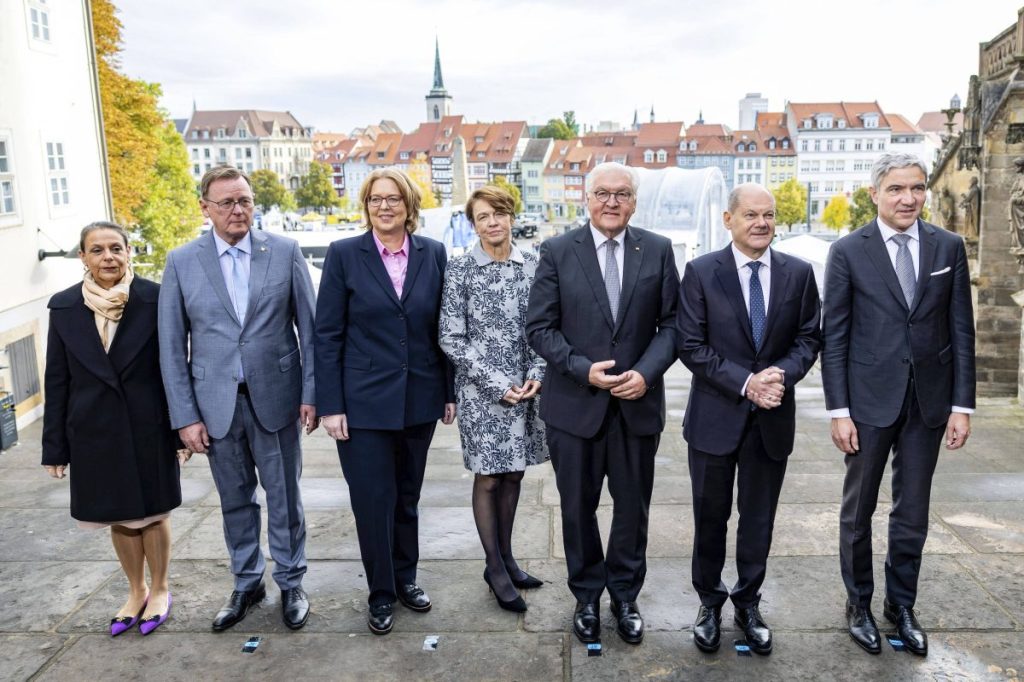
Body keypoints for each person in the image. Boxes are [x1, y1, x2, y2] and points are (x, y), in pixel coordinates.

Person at [822, 153, 976, 656]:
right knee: (858, 510)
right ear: (875, 194)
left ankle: (901, 605)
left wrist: (962, 405)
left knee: (913, 511)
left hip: (929, 401)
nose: (907, 198)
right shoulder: (848, 251)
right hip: (867, 401)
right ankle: (859, 604)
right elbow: (836, 337)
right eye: (895, 189)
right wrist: (838, 410)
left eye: (916, 188)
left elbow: (961, 331)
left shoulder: (948, 246)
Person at [158, 166, 317, 631]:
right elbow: (171, 347)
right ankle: (247, 582)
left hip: (278, 399)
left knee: (285, 497)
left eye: (244, 200)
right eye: (226, 202)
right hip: (215, 406)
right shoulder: (182, 262)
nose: (238, 210)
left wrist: (312, 393)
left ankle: (291, 582)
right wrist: (185, 417)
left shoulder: (284, 251)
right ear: (205, 208)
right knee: (234, 500)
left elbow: (310, 330)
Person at [526, 161, 678, 645]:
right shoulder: (556, 251)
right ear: (586, 199)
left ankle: (626, 597)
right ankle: (587, 597)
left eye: (622, 194)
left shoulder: (656, 249)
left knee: (633, 509)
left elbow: (673, 325)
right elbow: (539, 328)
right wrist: (580, 368)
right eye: (603, 193)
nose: (612, 202)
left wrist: (646, 372)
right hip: (575, 407)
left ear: (634, 201)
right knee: (577, 508)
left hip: (637, 407)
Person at [676, 184, 821, 655]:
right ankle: (709, 602)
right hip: (715, 419)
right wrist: (746, 383)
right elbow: (691, 346)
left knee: (759, 519)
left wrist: (782, 374)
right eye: (751, 215)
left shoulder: (798, 274)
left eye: (769, 215)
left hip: (771, 419)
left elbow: (808, 338)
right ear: (728, 219)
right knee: (710, 518)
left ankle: (749, 602)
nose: (762, 223)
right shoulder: (700, 272)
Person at [314, 168, 456, 635]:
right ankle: (380, 592)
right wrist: (331, 404)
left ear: (409, 205)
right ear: (366, 205)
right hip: (362, 403)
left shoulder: (433, 254)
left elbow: (446, 328)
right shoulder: (343, 255)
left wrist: (449, 391)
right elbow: (328, 333)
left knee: (408, 497)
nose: (385, 207)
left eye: (394, 199)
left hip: (419, 397)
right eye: (376, 199)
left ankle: (406, 579)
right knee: (373, 501)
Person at [43, 221, 182, 636]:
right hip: (92, 429)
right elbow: (57, 378)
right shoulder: (64, 306)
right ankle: (135, 590)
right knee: (118, 514)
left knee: (152, 512)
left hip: (148, 424)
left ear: (128, 252)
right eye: (98, 250)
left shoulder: (156, 298)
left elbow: (175, 368)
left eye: (116, 248)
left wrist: (180, 431)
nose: (108, 257)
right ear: (83, 257)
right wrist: (55, 447)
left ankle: (160, 588)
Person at [439, 186, 548, 614]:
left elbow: (544, 326)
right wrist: (496, 383)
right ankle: (494, 566)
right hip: (482, 393)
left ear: (511, 217)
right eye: (483, 217)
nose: (493, 223)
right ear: (473, 224)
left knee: (514, 475)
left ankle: (508, 557)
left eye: (499, 214)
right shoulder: (461, 268)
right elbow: (451, 336)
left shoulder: (533, 264)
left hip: (526, 390)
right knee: (488, 476)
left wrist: (537, 374)